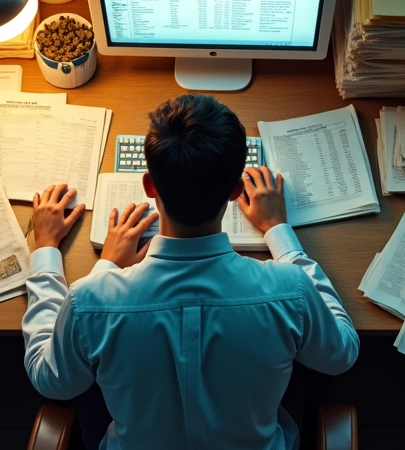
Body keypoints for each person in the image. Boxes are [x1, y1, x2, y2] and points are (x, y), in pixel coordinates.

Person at [22, 94, 360, 450]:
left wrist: (57, 252)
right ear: (235, 191)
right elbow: (342, 354)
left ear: (149, 186)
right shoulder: (290, 289)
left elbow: (52, 381)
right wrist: (279, 232)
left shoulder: (90, 300)